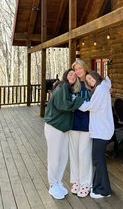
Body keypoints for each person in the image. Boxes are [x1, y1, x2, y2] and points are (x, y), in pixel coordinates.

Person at [44, 69, 83, 200]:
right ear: (66, 76)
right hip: (54, 127)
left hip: (63, 129)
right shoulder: (62, 87)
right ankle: (52, 185)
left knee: (63, 157)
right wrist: (79, 101)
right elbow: (63, 106)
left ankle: (58, 182)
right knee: (54, 157)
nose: (73, 76)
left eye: (75, 75)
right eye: (70, 74)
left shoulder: (69, 89)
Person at [79, 71, 114, 199]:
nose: (89, 81)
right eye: (87, 80)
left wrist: (78, 103)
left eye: (90, 78)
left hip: (102, 130)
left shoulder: (100, 90)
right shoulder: (103, 87)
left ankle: (104, 190)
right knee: (98, 159)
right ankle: (99, 186)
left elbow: (92, 106)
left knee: (98, 159)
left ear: (96, 77)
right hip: (102, 129)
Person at [69, 59, 92, 197]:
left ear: (84, 68)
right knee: (74, 154)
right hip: (73, 123)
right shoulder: (73, 85)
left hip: (86, 124)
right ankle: (76, 180)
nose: (78, 71)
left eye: (79, 68)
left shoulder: (90, 83)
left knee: (84, 154)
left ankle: (86, 183)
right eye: (75, 69)